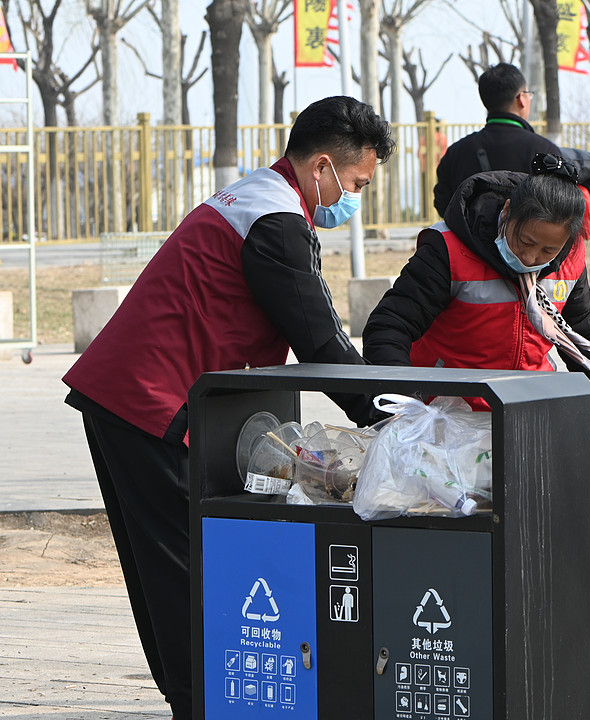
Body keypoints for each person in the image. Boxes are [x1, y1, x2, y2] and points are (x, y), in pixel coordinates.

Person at [62, 96, 395, 720]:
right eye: (356, 184)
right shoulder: (274, 220)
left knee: (169, 571)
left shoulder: (263, 200)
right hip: (149, 401)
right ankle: (203, 703)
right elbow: (320, 341)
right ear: (322, 167)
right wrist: (392, 417)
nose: (354, 198)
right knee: (184, 570)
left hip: (132, 394)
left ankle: (194, 698)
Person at [364, 153, 590, 446]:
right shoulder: (448, 250)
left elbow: (588, 341)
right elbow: (389, 327)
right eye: (525, 241)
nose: (530, 257)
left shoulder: (570, 262)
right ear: (507, 210)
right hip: (444, 422)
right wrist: (407, 408)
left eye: (547, 250)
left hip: (527, 416)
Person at [433, 62, 559, 218]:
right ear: (521, 99)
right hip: (528, 241)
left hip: (468, 242)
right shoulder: (544, 151)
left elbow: (443, 202)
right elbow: (558, 206)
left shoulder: (456, 153)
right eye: (528, 94)